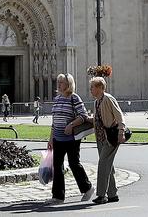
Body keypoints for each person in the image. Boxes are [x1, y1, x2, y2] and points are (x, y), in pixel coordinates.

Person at [48, 73, 92, 203]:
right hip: (57, 138)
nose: (59, 84)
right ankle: (58, 196)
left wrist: (71, 125)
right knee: (57, 166)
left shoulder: (74, 98)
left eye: (61, 82)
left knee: (74, 164)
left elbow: (83, 115)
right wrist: (50, 139)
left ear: (68, 84)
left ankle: (87, 188)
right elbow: (54, 120)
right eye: (58, 82)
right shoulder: (57, 99)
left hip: (71, 138)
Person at [89, 76, 124, 205]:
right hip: (101, 138)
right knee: (108, 165)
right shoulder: (96, 101)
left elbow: (119, 115)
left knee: (103, 164)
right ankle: (112, 194)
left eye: (92, 87)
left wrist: (121, 131)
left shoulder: (108, 99)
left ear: (99, 88)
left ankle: (101, 195)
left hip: (111, 137)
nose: (90, 89)